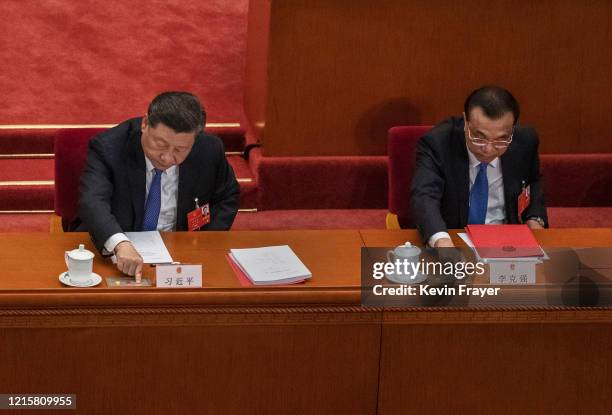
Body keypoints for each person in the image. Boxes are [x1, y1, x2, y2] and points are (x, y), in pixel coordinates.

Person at [77, 91, 240, 279]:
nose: (168, 157)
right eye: (160, 144)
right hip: (119, 252)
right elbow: (92, 201)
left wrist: (204, 241)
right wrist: (120, 243)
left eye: (180, 149)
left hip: (182, 252)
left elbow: (228, 195)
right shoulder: (109, 148)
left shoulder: (209, 149)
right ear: (145, 124)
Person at [411, 86, 547, 248]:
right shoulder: (438, 143)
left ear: (512, 129)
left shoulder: (525, 141)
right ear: (465, 122)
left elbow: (533, 182)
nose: (488, 149)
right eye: (479, 137)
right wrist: (442, 241)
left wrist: (535, 219)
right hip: (455, 237)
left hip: (507, 240)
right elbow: (424, 196)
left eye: (500, 140)